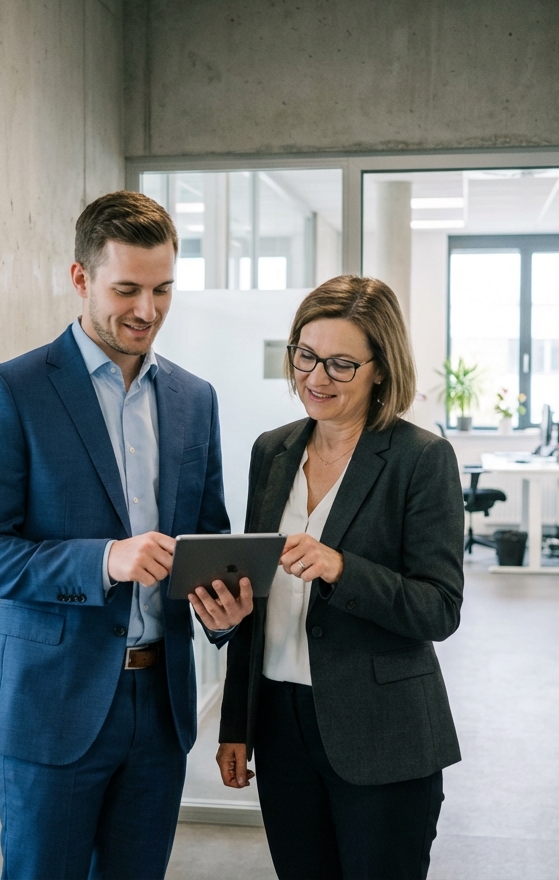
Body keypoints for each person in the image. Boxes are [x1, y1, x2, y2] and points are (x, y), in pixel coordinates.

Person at [0, 190, 253, 880]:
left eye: (162, 290)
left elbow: (208, 535)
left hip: (162, 709)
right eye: (127, 289)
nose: (147, 310)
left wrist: (223, 608)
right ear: (80, 278)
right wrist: (106, 561)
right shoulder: (12, 390)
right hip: (51, 709)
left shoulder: (194, 399)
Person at [216, 275, 465, 880]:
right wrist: (236, 726)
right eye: (305, 355)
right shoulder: (270, 452)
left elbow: (439, 609)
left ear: (381, 369)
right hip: (280, 724)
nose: (316, 377)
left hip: (383, 732)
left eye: (341, 364)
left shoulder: (421, 459)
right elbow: (258, 594)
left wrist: (341, 568)